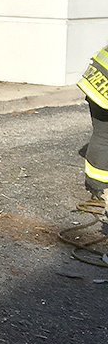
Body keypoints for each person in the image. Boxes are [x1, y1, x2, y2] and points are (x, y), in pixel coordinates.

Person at [75, 44, 108, 226]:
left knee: (102, 135)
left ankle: (97, 187)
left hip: (97, 79)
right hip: (104, 86)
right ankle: (101, 189)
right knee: (105, 137)